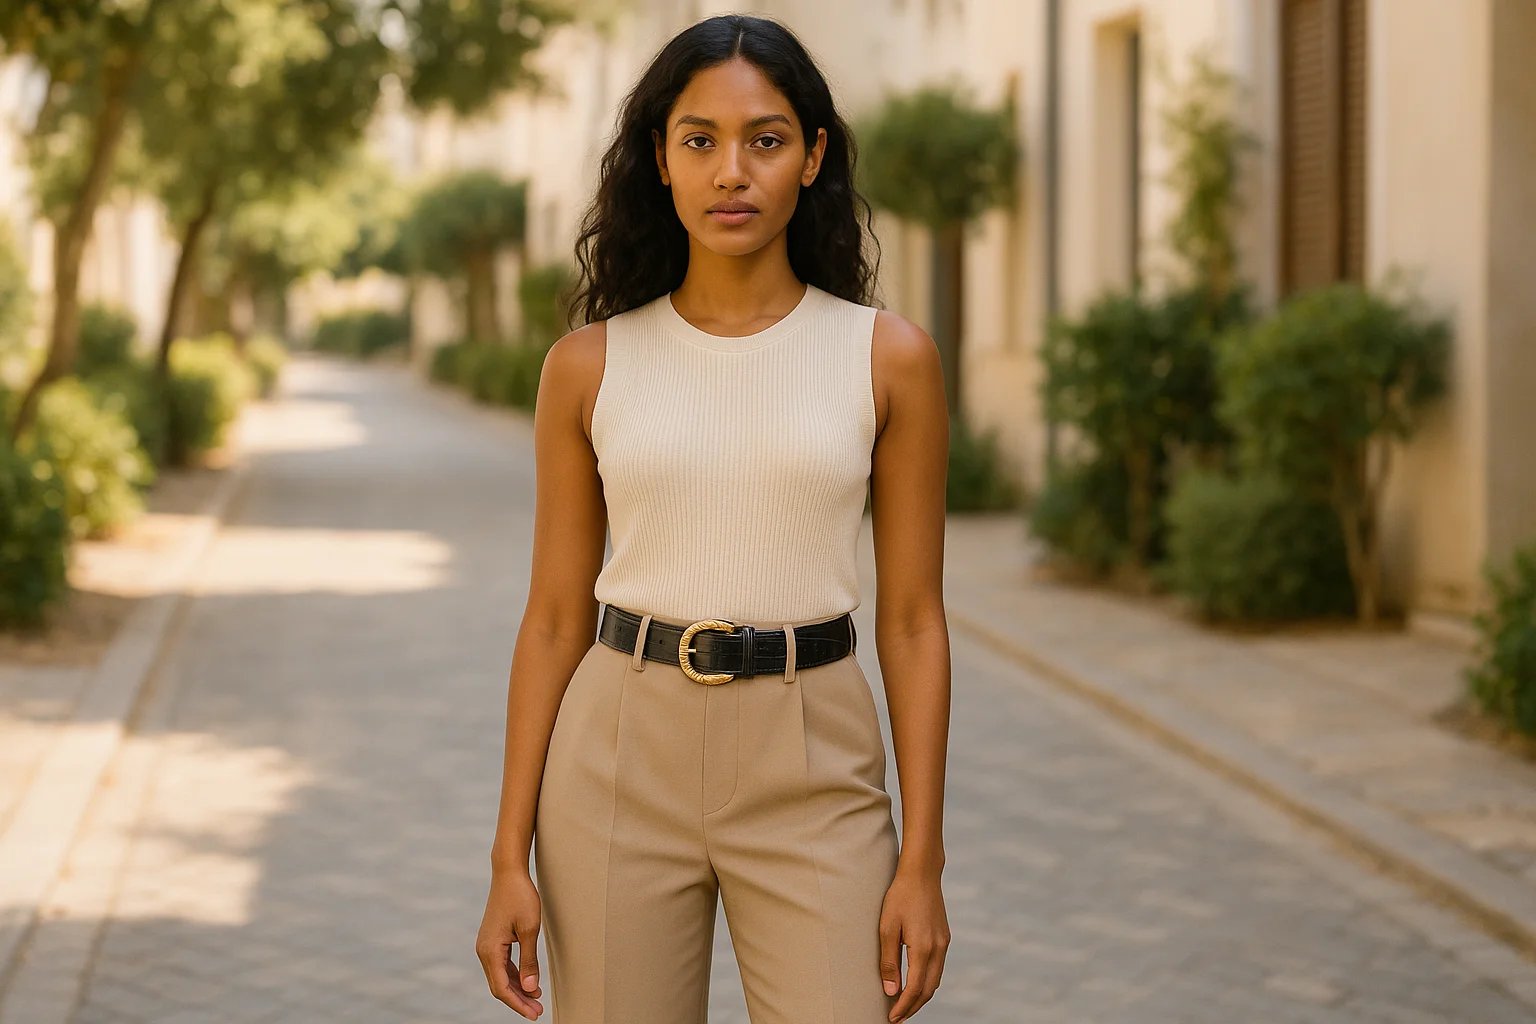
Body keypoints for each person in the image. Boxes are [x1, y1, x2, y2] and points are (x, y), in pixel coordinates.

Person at [475, 13, 952, 1024]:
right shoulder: (586, 367)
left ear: (813, 156)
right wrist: (506, 854)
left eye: (766, 139)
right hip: (614, 755)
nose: (731, 170)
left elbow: (912, 621)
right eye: (700, 139)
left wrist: (923, 859)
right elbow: (554, 617)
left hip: (814, 753)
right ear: (661, 157)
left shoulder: (888, 358)